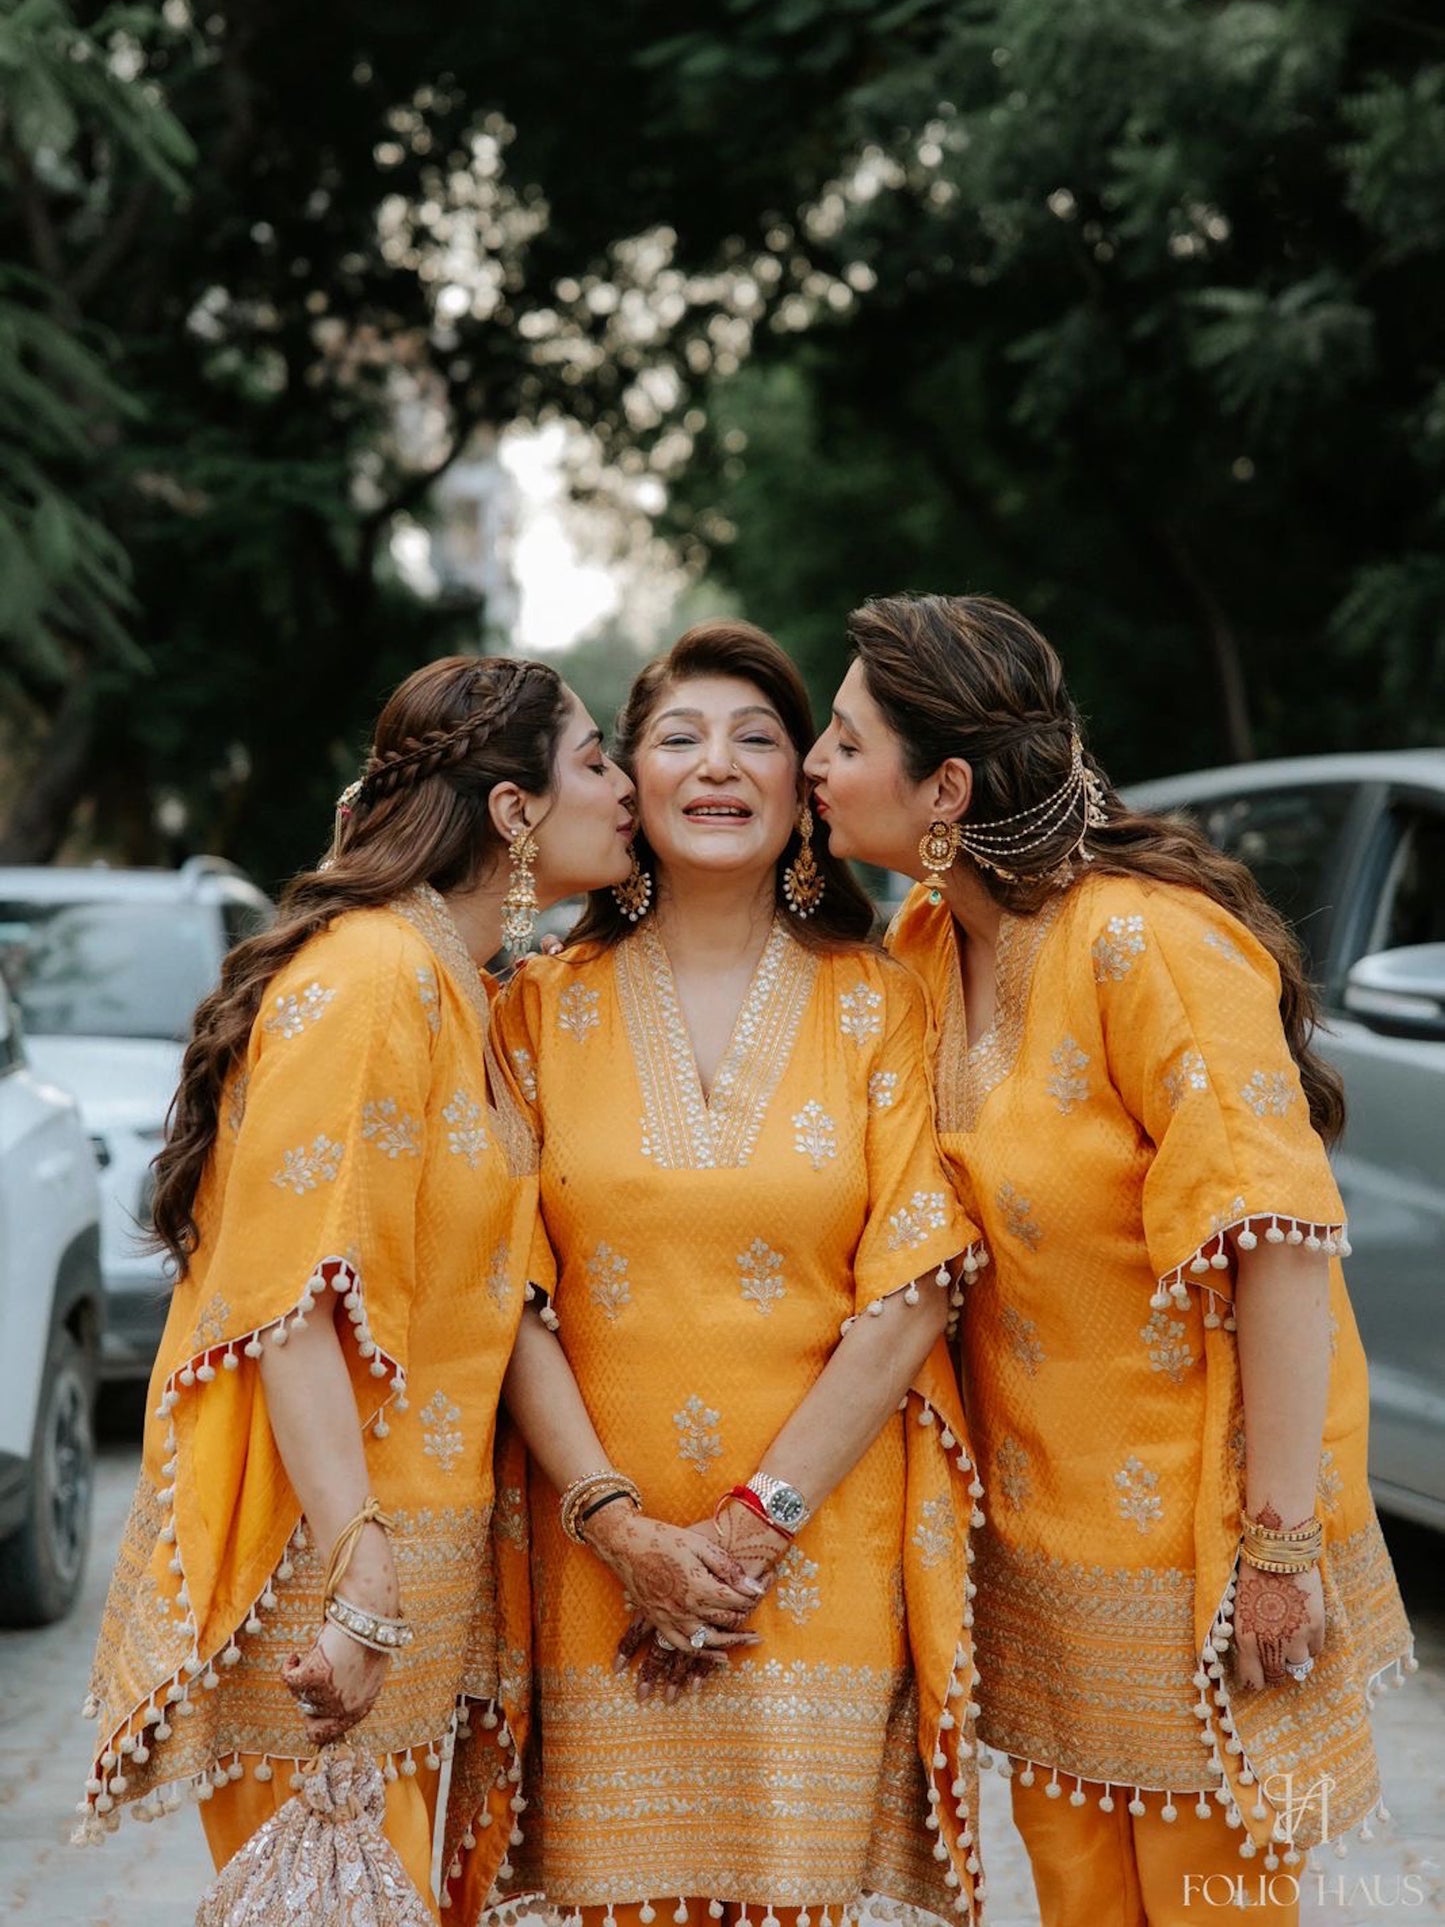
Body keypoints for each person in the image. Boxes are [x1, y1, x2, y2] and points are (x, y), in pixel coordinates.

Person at [804, 593, 1415, 1927]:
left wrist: (1276, 1545)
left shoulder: (1145, 940)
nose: (814, 763)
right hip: (1043, 1542)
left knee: (1210, 1897)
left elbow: (1282, 1243)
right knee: (1081, 1890)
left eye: (843, 741)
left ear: (943, 784)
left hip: (1198, 1546)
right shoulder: (925, 942)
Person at [76, 655, 637, 1919]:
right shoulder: (373, 978)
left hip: (397, 1562)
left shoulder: (454, 983)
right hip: (329, 1578)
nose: (621, 786)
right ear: (511, 811)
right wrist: (360, 1575)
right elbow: (293, 1303)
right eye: (595, 759)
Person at [450, 619, 989, 1927]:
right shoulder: (532, 1006)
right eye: (678, 736)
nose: (719, 763)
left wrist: (752, 1528)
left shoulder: (883, 1002)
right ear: (625, 781)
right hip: (594, 1557)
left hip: (812, 1559)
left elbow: (913, 1286)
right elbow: (507, 1293)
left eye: (758, 735)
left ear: (801, 785)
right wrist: (620, 1527)